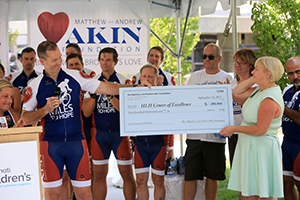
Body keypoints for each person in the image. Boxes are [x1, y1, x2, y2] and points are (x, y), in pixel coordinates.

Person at [21, 41, 148, 200]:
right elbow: (25, 117)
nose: (59, 62)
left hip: (76, 143)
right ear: (42, 61)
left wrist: (135, 88)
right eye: (54, 60)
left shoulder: (74, 76)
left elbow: (105, 87)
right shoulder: (35, 85)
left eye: (60, 58)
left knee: (85, 194)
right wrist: (45, 110)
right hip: (51, 145)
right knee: (53, 194)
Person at [220, 56, 284, 199]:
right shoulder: (259, 90)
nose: (253, 71)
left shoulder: (269, 97)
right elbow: (237, 92)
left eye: (256, 69)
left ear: (268, 74)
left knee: (263, 193)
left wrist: (233, 129)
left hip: (261, 149)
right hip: (251, 147)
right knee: (249, 192)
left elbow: (260, 129)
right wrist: (255, 78)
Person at [82, 47, 136, 200]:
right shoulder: (92, 83)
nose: (104, 63)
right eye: (102, 59)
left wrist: (110, 94)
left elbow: (127, 110)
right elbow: (86, 112)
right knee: (99, 175)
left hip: (120, 134)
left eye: (108, 60)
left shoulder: (124, 81)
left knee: (126, 174)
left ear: (115, 62)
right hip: (100, 135)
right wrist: (93, 95)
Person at [184, 43, 233, 200]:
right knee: (190, 176)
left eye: (210, 57)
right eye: (204, 56)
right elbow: (188, 102)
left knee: (212, 176)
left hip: (215, 137)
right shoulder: (194, 77)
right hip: (194, 136)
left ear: (219, 58)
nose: (206, 59)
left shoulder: (226, 78)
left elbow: (229, 105)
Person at [133, 63, 170, 200]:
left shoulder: (165, 94)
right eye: (144, 76)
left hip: (158, 144)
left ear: (157, 78)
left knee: (158, 181)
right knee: (141, 181)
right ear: (140, 78)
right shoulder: (133, 95)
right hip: (141, 144)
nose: (147, 79)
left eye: (150, 76)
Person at [132, 46, 175, 157]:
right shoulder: (137, 77)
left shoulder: (168, 77)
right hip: (143, 123)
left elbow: (173, 99)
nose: (153, 58)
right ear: (147, 58)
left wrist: (158, 88)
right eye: (151, 55)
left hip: (163, 123)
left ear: (161, 60)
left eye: (157, 56)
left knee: (167, 157)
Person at [228, 49, 256, 167]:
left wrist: (231, 94)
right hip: (232, 131)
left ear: (250, 65)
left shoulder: (256, 85)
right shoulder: (232, 82)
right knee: (235, 167)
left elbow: (251, 107)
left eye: (241, 63)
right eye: (235, 62)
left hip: (247, 132)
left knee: (247, 168)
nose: (237, 65)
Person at [281, 56, 300, 200]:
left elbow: (299, 119)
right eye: (290, 73)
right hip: (286, 143)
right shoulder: (287, 89)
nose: (295, 76)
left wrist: (280, 106)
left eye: (298, 72)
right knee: (285, 185)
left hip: (299, 146)